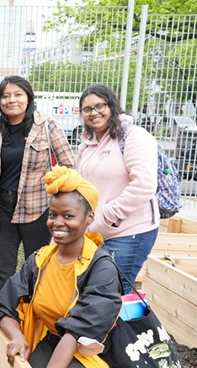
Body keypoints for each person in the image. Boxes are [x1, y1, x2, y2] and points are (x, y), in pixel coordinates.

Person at [0, 167, 122, 368]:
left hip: (91, 350)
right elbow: (4, 305)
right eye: (53, 215)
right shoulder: (41, 259)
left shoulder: (100, 267)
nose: (57, 223)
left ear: (89, 219)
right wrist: (17, 338)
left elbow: (77, 333)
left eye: (68, 216)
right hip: (52, 340)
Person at [0, 76, 76, 297]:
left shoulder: (46, 126)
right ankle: (1, 318)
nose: (11, 100)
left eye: (17, 94)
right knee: (3, 269)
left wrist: (57, 197)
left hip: (38, 208)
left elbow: (70, 165)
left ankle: (34, 316)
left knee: (37, 266)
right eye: (5, 96)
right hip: (3, 208)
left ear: (28, 98)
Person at [75, 84, 159, 295]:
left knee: (111, 295)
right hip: (96, 231)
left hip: (128, 231)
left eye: (99, 106)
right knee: (93, 294)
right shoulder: (87, 144)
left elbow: (144, 185)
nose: (94, 113)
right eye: (87, 109)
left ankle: (130, 329)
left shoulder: (133, 136)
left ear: (112, 106)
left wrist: (108, 215)